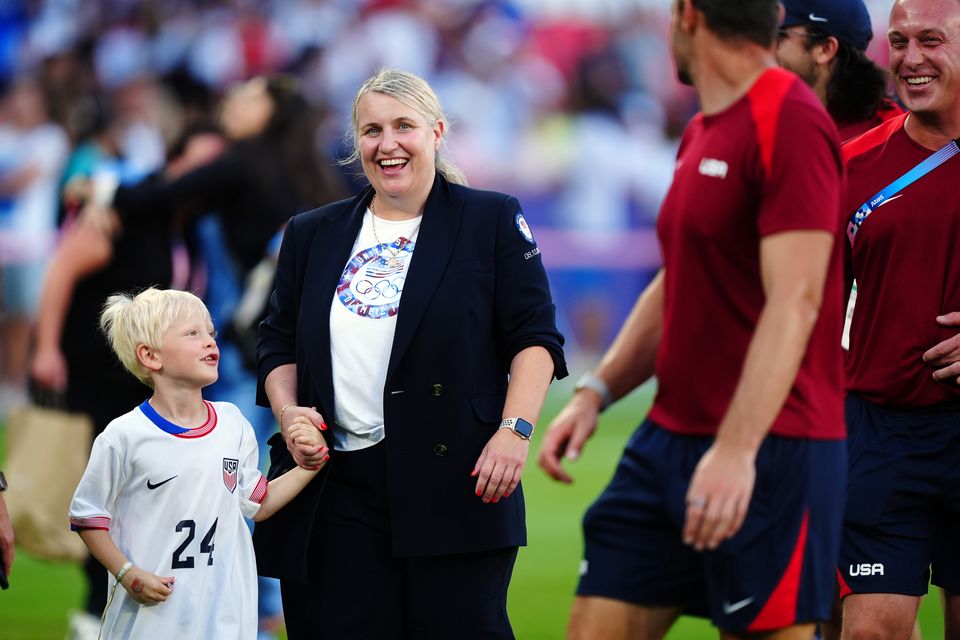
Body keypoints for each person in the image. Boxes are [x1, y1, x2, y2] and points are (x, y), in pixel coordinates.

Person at [538, 1, 846, 638]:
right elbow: (679, 278)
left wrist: (736, 450)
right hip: (668, 440)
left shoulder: (788, 119)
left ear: (688, 15)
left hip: (771, 449)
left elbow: (797, 300)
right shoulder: (705, 125)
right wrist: (598, 390)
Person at [254, 67, 567, 639]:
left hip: (458, 483)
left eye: (404, 126)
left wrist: (515, 430)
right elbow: (276, 340)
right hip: (335, 488)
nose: (388, 144)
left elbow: (535, 338)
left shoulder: (489, 219)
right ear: (357, 144)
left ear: (437, 132)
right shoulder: (312, 232)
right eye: (372, 131)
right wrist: (288, 411)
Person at [30, 123, 226, 638]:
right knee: (105, 490)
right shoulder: (126, 215)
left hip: (145, 383)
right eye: (196, 165)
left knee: (141, 496)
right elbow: (60, 273)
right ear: (172, 165)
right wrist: (46, 347)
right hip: (99, 371)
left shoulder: (189, 228)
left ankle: (126, 602)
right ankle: (93, 607)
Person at [68, 288, 327, 639]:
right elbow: (88, 516)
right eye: (193, 334)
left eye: (211, 333)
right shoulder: (124, 436)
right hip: (152, 619)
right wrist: (128, 572)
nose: (210, 343)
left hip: (224, 616)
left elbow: (258, 502)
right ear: (150, 356)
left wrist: (309, 466)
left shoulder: (233, 423)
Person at [832, 1, 960, 638]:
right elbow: (810, 312)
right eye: (900, 41)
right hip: (881, 435)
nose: (910, 59)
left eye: (931, 41)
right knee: (869, 631)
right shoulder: (855, 167)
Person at [775, 0, 903, 142]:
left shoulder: (888, 139)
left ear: (825, 49)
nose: (765, 48)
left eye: (779, 36)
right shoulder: (774, 117)